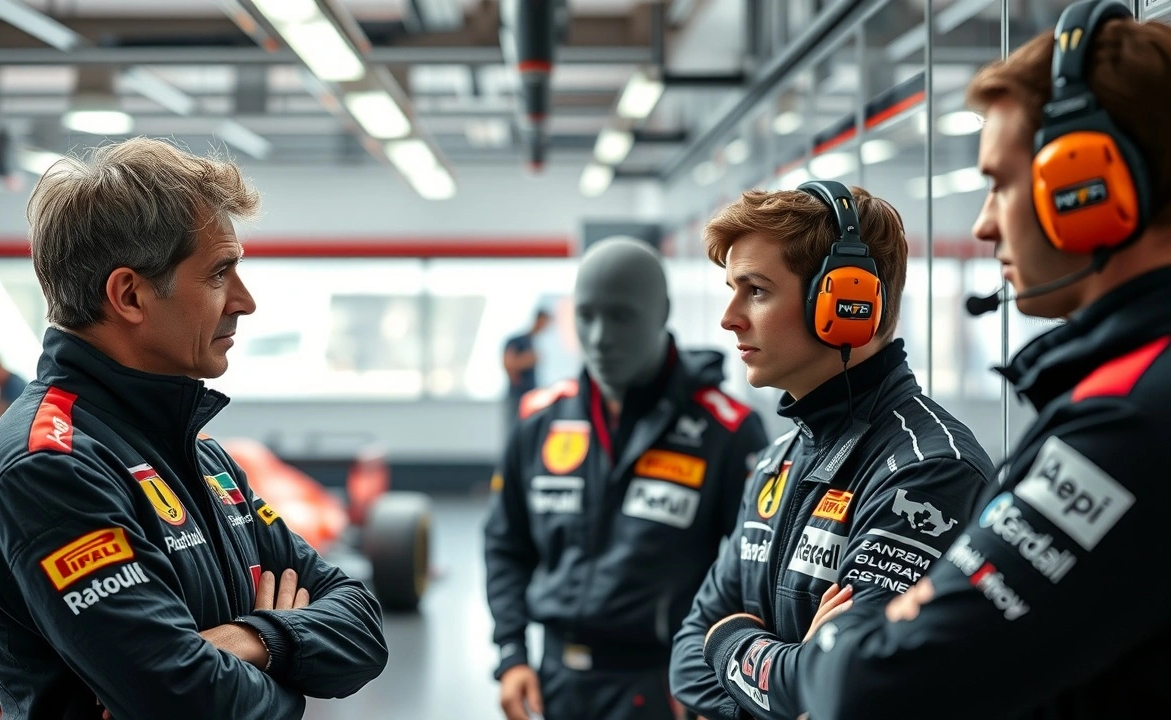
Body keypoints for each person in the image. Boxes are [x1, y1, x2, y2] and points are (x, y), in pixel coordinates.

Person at [793, 4, 1171, 718]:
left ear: (1084, 187)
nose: (984, 222)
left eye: (1000, 182)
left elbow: (869, 688)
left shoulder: (1129, 421)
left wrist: (832, 637)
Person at [0, 137, 387, 719]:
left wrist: (254, 638)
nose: (245, 301)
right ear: (129, 295)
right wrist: (288, 676)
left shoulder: (203, 458)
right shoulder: (49, 466)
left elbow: (362, 625)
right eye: (219, 274)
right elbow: (186, 700)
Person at [668, 180, 995, 720]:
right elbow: (686, 660)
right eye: (732, 289)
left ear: (846, 304)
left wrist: (727, 641)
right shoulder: (776, 460)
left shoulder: (928, 470)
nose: (729, 317)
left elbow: (849, 686)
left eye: (756, 290)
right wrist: (788, 676)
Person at [484, 237, 770, 720]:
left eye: (620, 316)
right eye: (587, 316)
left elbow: (752, 573)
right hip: (554, 682)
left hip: (664, 687)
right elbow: (505, 543)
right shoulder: (539, 422)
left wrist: (713, 683)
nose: (599, 338)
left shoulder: (726, 431)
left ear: (662, 314)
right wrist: (511, 653)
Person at [503, 308, 552, 431]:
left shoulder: (534, 342)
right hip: (518, 395)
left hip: (532, 395)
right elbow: (509, 363)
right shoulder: (517, 341)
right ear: (538, 320)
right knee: (514, 429)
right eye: (544, 322)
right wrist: (529, 359)